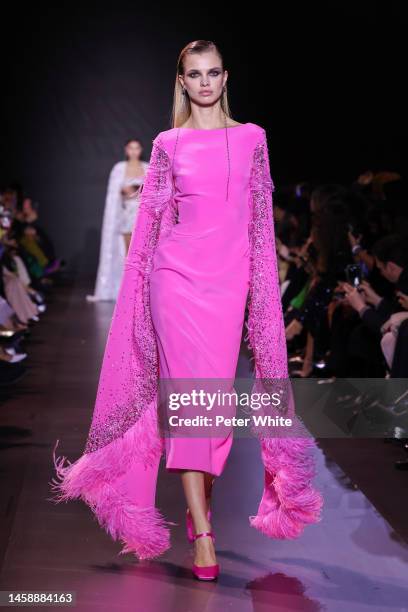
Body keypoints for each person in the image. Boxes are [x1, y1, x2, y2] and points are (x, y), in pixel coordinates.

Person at [51, 39, 323, 581]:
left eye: (213, 72)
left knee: (212, 409)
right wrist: (135, 294)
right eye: (194, 74)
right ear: (183, 82)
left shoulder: (253, 139)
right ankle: (202, 533)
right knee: (190, 407)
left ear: (225, 79)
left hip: (228, 286)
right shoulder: (167, 143)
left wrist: (262, 298)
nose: (204, 82)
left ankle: (202, 510)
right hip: (173, 283)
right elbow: (150, 228)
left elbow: (261, 226)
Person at [86, 139, 149, 302]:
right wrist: (133, 191)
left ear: (140, 150)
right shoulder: (119, 168)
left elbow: (152, 190)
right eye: (131, 148)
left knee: (143, 252)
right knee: (129, 254)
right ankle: (130, 287)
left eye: (137, 148)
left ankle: (143, 288)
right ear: (126, 150)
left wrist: (134, 191)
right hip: (127, 215)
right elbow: (116, 194)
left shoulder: (147, 167)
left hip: (144, 214)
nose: (134, 151)